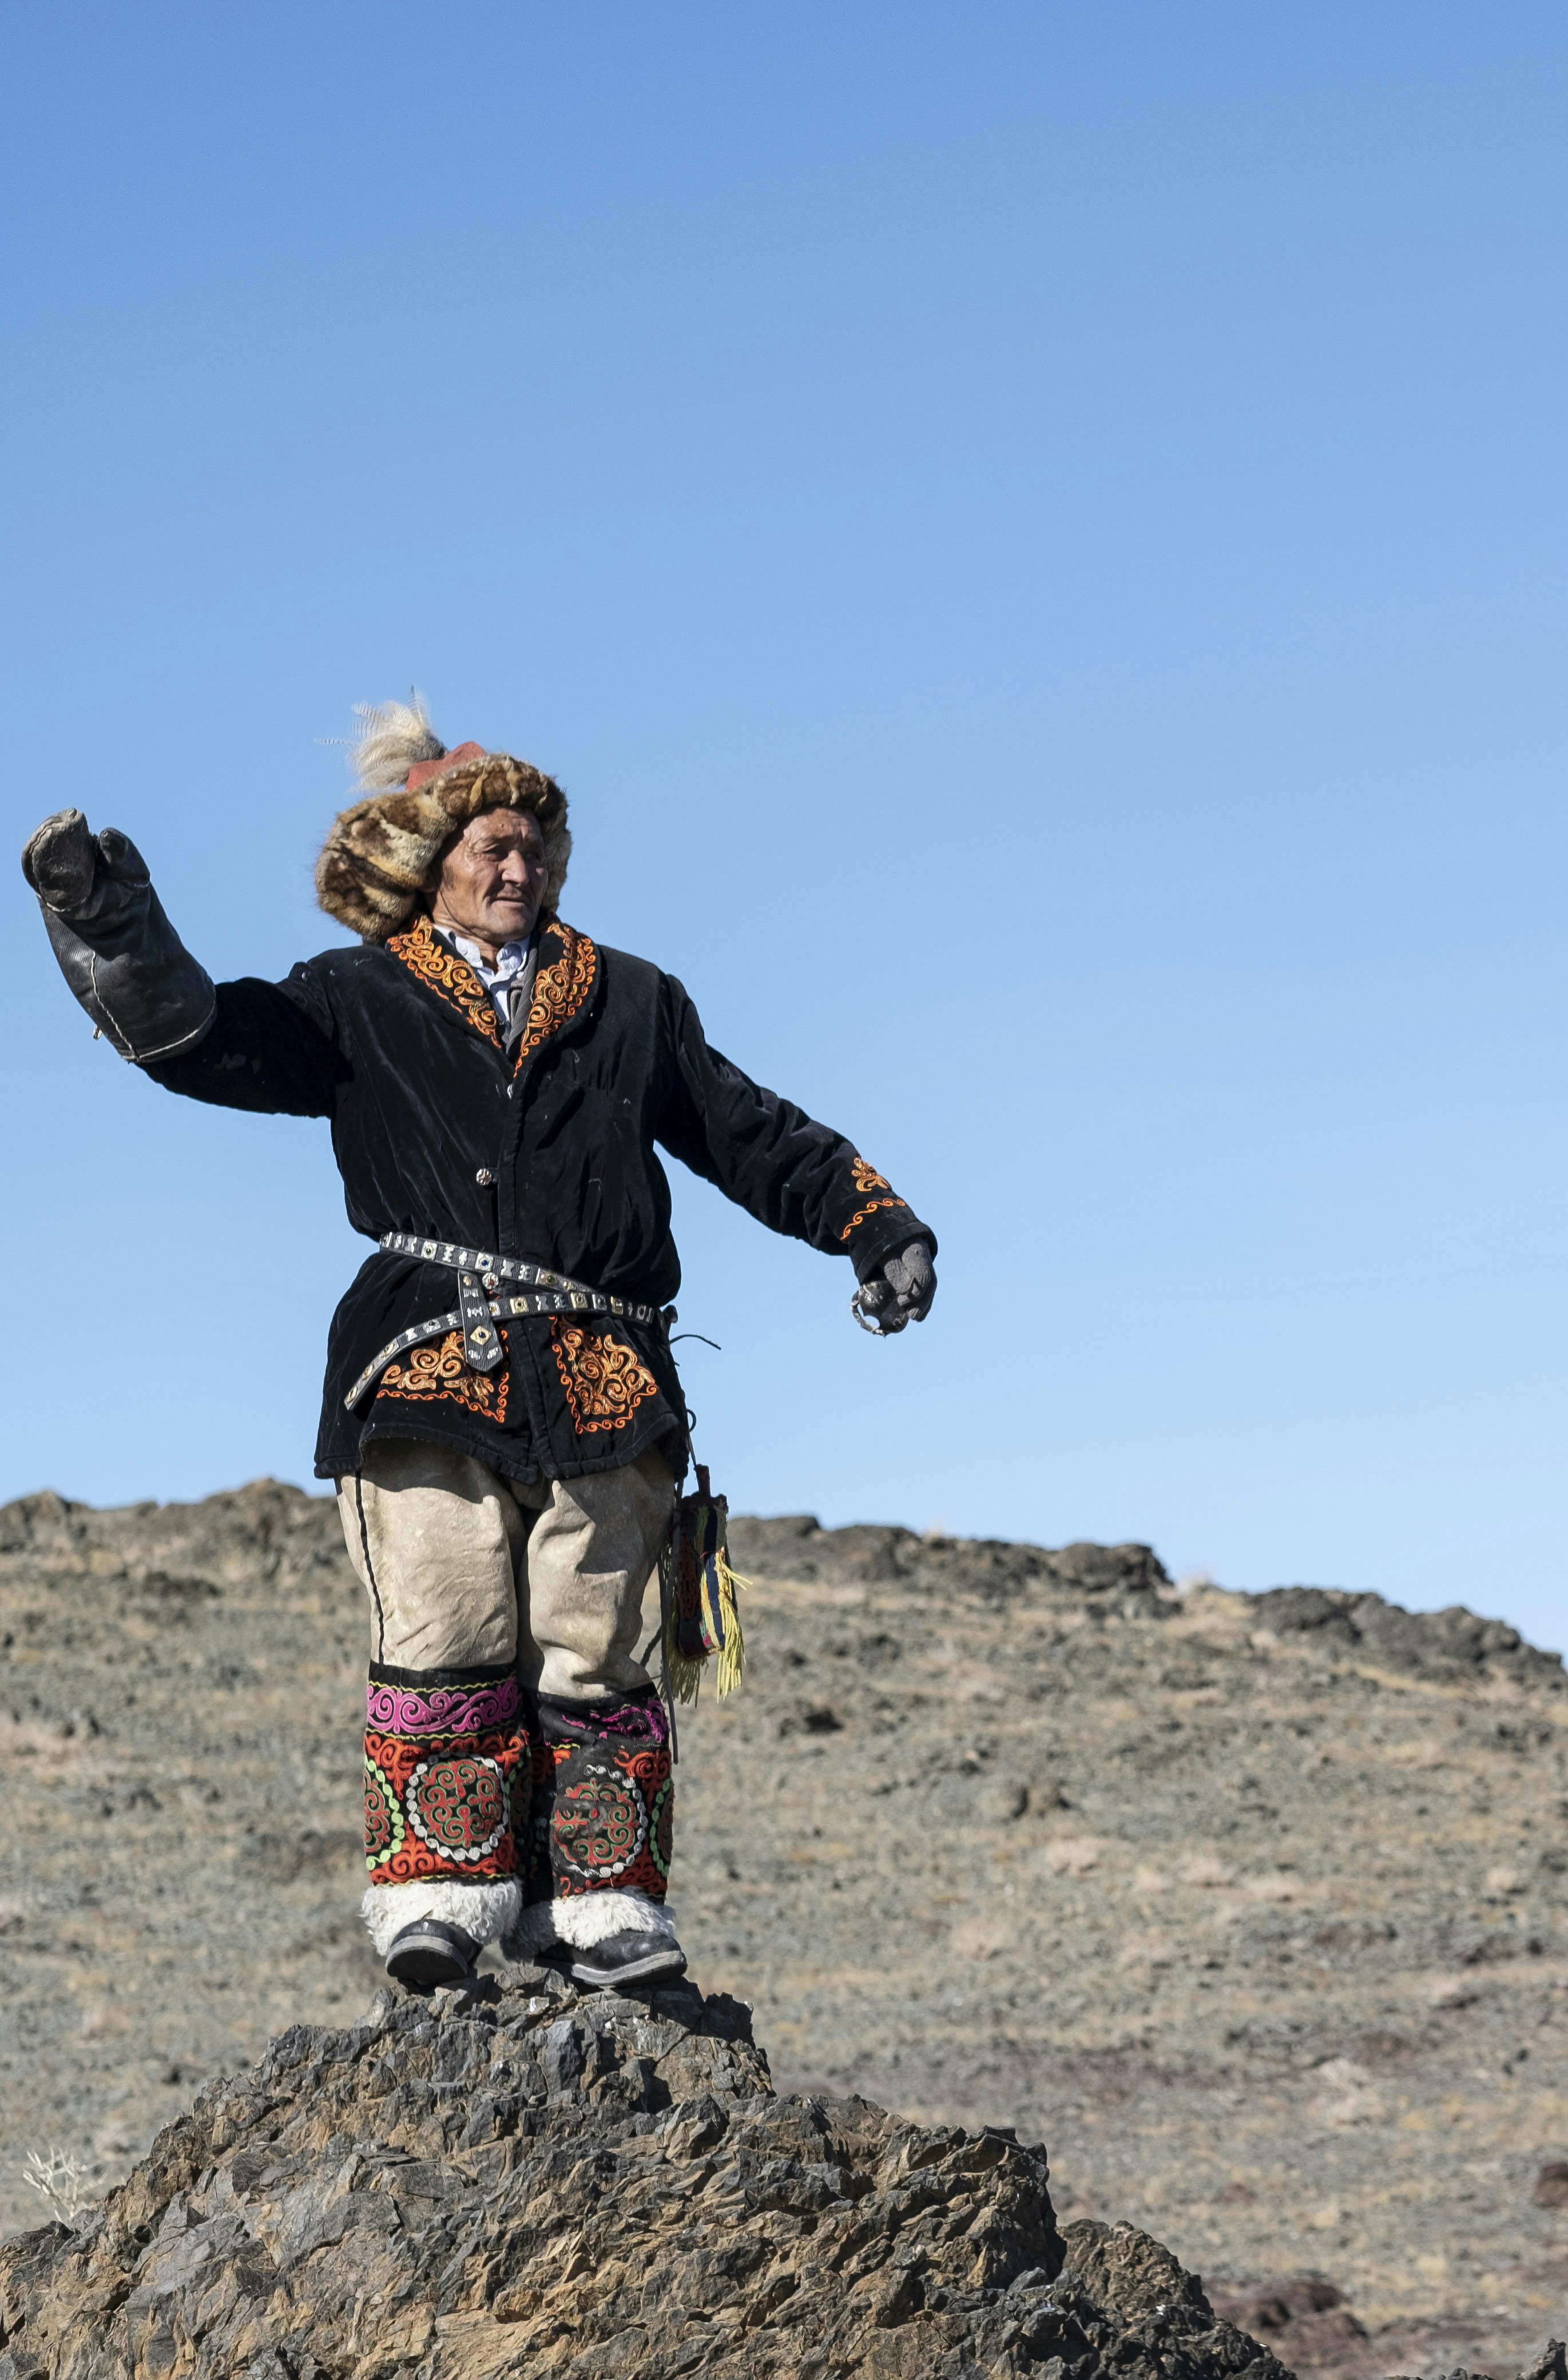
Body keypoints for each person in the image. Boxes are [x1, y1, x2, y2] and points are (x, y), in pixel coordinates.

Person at [21, 700, 936, 1993]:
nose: (519, 869)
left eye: (538, 847)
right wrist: (115, 929)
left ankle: (606, 1906)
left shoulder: (635, 1001)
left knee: (601, 1642)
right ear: (433, 857)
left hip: (608, 1384)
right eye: (493, 847)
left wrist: (871, 1218)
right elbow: (204, 1041)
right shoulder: (356, 995)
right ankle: (440, 1900)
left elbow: (746, 1130)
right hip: (422, 1376)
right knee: (445, 1624)